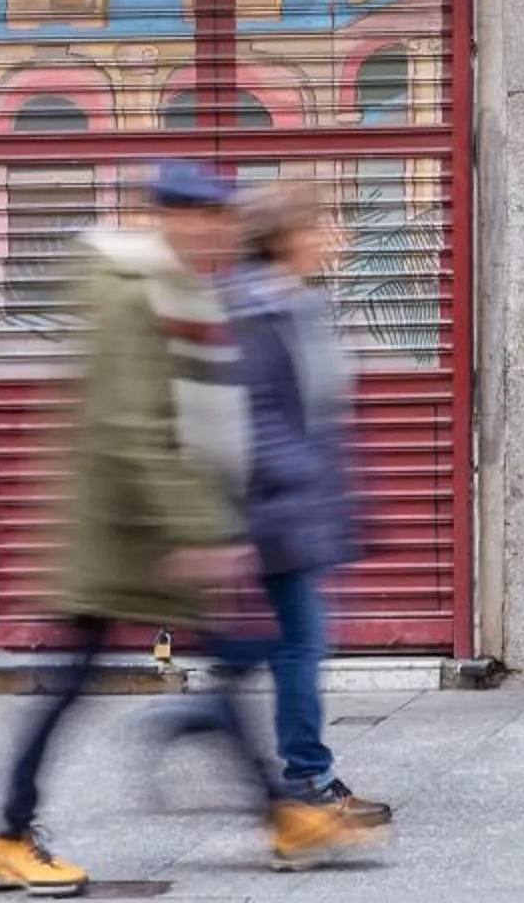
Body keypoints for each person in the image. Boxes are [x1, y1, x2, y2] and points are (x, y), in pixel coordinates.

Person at [0, 163, 376, 895]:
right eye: (194, 216)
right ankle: (9, 834)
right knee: (71, 685)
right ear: (165, 216)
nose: (209, 230)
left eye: (217, 218)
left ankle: (281, 810)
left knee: (226, 660)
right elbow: (133, 427)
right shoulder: (137, 293)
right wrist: (198, 531)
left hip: (150, 531)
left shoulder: (183, 289)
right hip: (123, 533)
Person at [222, 182, 392, 826]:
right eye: (321, 226)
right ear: (287, 237)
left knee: (291, 639)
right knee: (300, 642)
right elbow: (259, 418)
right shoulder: (252, 308)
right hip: (275, 508)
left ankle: (299, 765)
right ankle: (306, 777)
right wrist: (301, 486)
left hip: (298, 506)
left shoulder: (297, 304)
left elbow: (317, 412)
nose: (334, 237)